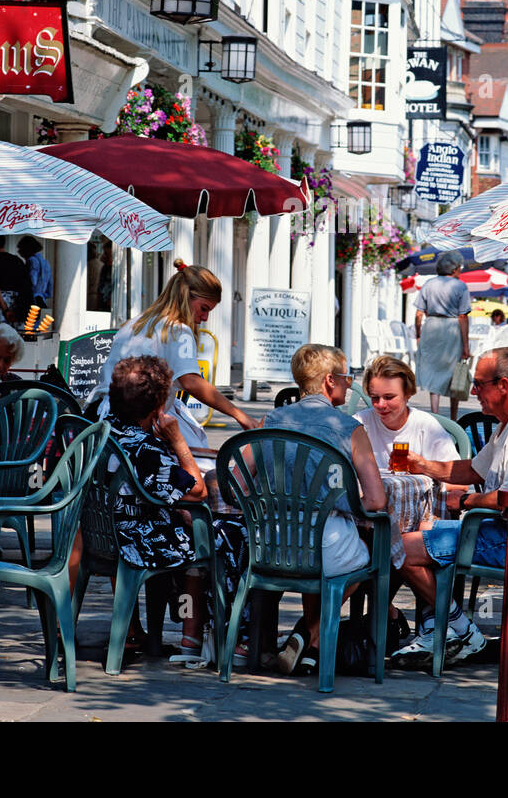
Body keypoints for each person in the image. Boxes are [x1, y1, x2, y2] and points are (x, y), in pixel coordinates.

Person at [392, 347, 508, 668]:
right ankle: (442, 629)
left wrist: (466, 501)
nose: (473, 391)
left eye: (479, 384)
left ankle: (461, 630)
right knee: (418, 533)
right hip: (499, 532)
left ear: (504, 386)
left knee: (396, 546)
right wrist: (423, 465)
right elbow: (471, 471)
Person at [102, 355, 248, 667]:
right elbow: (197, 490)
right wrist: (179, 442)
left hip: (101, 536)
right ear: (158, 406)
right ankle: (228, 637)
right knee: (226, 534)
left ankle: (188, 634)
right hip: (140, 542)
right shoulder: (147, 450)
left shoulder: (101, 431)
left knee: (199, 528)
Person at [262, 344, 386, 676]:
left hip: (273, 545)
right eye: (347, 378)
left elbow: (241, 482)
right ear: (330, 381)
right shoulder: (348, 428)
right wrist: (342, 501)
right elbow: (376, 502)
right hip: (325, 545)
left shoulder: (272, 419)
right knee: (366, 555)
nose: (349, 384)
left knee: (326, 547)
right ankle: (310, 633)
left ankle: (311, 644)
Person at [89, 260, 258, 454]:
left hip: (106, 421)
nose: (205, 318)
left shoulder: (134, 324)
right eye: (204, 308)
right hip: (140, 424)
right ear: (187, 297)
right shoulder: (178, 330)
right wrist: (239, 415)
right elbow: (191, 382)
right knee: (201, 470)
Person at [355, 355, 460, 472]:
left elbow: (459, 481)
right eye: (374, 397)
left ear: (407, 394)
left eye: (389, 397)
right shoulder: (360, 423)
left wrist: (425, 468)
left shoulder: (426, 426)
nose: (381, 405)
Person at [413, 251, 472, 421]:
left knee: (433, 371)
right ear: (454, 269)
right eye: (459, 267)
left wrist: (418, 333)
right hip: (451, 329)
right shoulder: (460, 286)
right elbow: (463, 316)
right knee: (454, 373)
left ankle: (435, 413)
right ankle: (453, 417)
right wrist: (466, 345)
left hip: (431, 327)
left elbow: (418, 314)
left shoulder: (428, 284)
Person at [0, 236, 30, 326]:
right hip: (16, 303)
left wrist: (5, 309)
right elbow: (25, 286)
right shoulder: (18, 261)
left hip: (0, 303)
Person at [18, 235, 53, 308]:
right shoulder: (46, 262)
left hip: (31, 298)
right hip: (41, 298)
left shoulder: (31, 260)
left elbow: (32, 280)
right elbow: (50, 285)